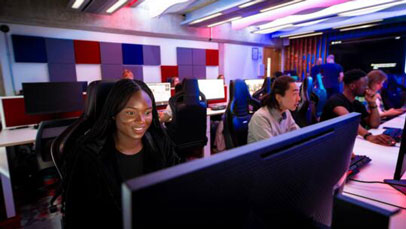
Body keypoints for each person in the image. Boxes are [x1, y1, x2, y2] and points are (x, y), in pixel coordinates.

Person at [64, 79, 179, 228]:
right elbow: (77, 217)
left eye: (147, 112)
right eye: (131, 113)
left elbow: (176, 187)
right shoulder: (89, 155)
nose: (141, 121)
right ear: (114, 114)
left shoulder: (160, 143)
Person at [320, 69, 395, 146]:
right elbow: (350, 121)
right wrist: (368, 136)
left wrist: (372, 103)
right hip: (326, 144)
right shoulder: (336, 101)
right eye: (364, 85)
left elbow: (374, 124)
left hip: (343, 142)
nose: (367, 88)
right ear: (352, 86)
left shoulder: (357, 104)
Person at [247, 76, 301, 143]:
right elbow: (270, 149)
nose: (299, 99)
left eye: (298, 94)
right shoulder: (260, 118)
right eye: (294, 94)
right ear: (278, 97)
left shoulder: (286, 112)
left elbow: (299, 135)